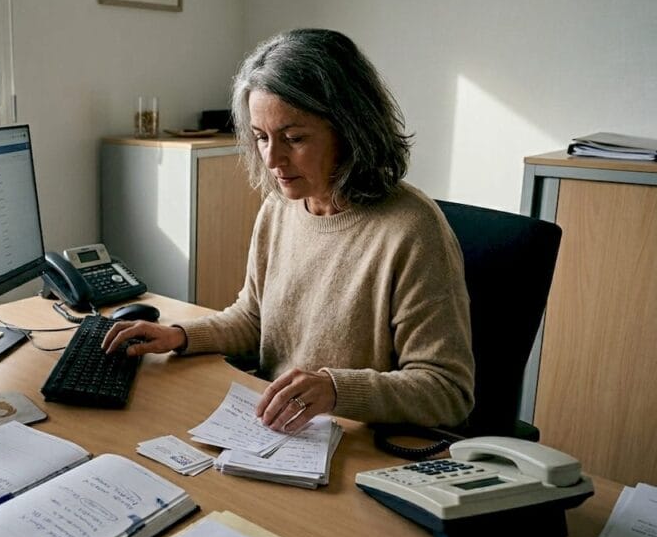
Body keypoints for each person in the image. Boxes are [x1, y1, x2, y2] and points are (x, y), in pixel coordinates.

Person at [102, 28, 474, 433]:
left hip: (352, 444)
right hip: (273, 430)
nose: (272, 159)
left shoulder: (413, 230)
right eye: (261, 138)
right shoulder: (279, 208)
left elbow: (447, 390)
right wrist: (177, 335)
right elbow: (253, 320)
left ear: (351, 131)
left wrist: (336, 389)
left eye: (294, 138)